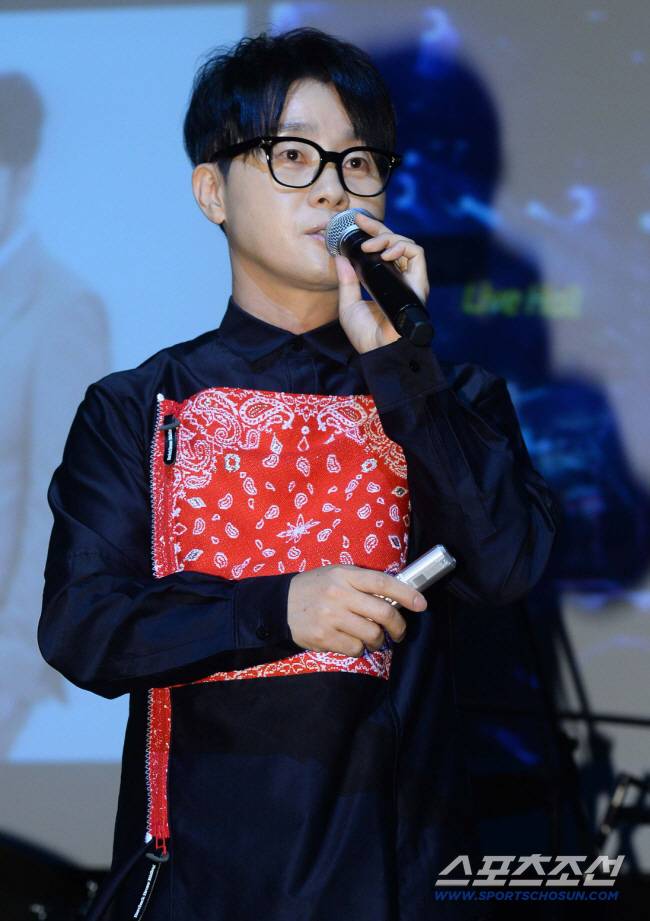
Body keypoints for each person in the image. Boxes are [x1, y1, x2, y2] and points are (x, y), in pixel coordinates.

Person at [38, 28, 558, 921]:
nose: (332, 186)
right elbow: (83, 627)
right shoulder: (138, 405)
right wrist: (280, 608)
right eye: (292, 155)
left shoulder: (450, 395)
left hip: (400, 879)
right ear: (212, 191)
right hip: (202, 882)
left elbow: (508, 562)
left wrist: (403, 368)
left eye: (359, 161)